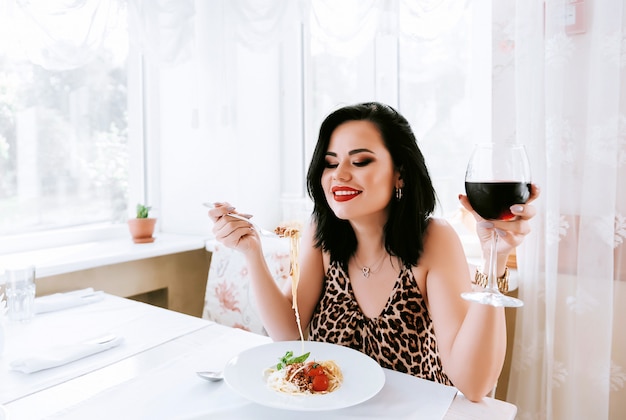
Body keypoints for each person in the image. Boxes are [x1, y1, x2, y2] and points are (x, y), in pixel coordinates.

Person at [208, 102, 539, 402]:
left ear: (400, 174)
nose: (339, 174)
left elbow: (473, 385)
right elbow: (287, 333)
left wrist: (494, 258)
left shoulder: (434, 239)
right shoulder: (321, 232)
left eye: (361, 160)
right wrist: (251, 251)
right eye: (330, 162)